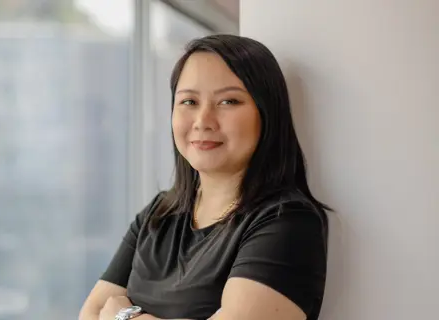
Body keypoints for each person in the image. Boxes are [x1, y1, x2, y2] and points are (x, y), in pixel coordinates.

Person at [79, 34, 330, 320]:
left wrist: (124, 315)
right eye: (188, 101)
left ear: (267, 112)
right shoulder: (159, 214)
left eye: (228, 101)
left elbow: (107, 311)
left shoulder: (288, 221)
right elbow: (92, 312)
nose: (203, 121)